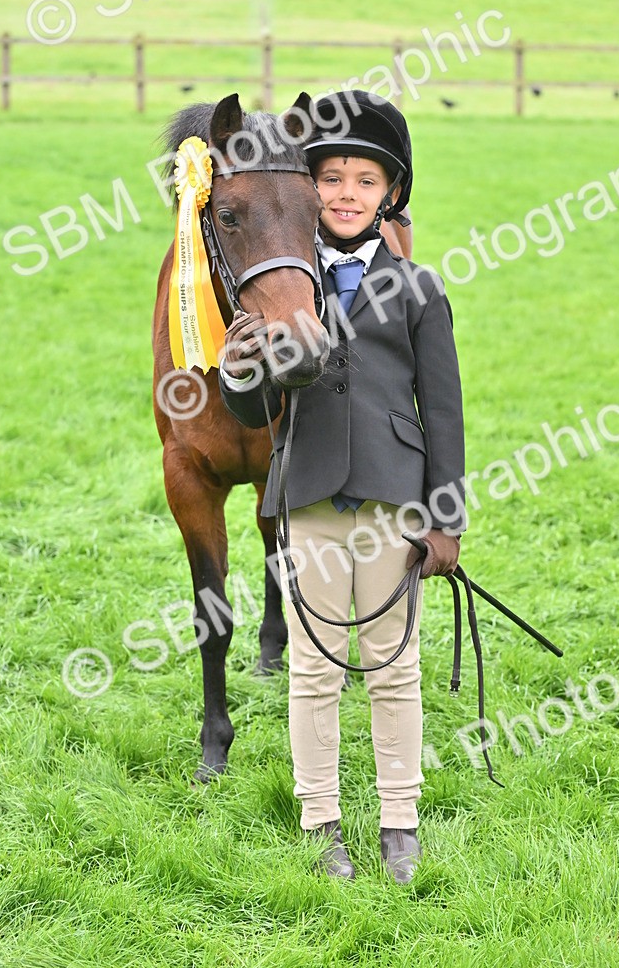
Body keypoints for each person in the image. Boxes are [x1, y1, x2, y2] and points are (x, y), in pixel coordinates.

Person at [217, 90, 466, 884]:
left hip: (395, 501)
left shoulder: (421, 289)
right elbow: (254, 411)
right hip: (309, 496)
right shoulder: (283, 283)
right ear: (308, 188)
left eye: (366, 181)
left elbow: (443, 411)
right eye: (331, 179)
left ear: (389, 194)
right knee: (314, 668)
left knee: (395, 666)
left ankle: (400, 821)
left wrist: (446, 519)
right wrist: (237, 370)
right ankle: (319, 817)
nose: (347, 194)